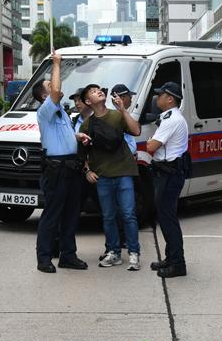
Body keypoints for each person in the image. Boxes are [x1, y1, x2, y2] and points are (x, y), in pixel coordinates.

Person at [35, 54, 91, 273]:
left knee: (71, 214)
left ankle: (68, 255)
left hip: (70, 167)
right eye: (49, 85)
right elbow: (57, 91)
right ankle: (44, 258)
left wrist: (77, 138)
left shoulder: (62, 113)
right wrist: (56, 64)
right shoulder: (46, 110)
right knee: (52, 214)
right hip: (56, 169)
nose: (54, 86)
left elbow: (63, 137)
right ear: (43, 95)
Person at [78, 84, 143, 271]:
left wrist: (123, 109)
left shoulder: (116, 115)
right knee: (108, 216)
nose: (99, 91)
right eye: (93, 91)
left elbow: (136, 131)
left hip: (124, 172)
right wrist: (87, 171)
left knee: (128, 214)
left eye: (99, 89)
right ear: (88, 102)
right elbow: (81, 152)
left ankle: (133, 253)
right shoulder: (87, 124)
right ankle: (113, 252)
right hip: (103, 176)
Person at [146, 81, 189, 278]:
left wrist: (149, 142)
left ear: (170, 99)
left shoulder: (172, 120)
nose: (157, 98)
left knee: (168, 219)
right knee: (165, 217)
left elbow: (151, 147)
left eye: (161, 95)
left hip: (169, 173)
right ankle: (171, 258)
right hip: (167, 172)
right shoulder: (170, 117)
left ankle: (177, 264)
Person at [110, 84, 140, 155]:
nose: (131, 99)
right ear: (123, 98)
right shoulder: (116, 117)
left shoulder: (122, 114)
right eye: (130, 96)